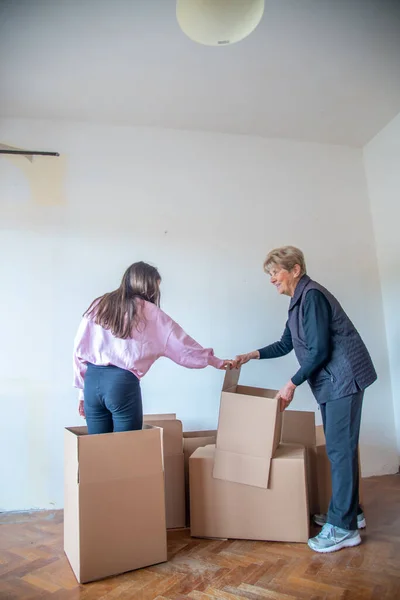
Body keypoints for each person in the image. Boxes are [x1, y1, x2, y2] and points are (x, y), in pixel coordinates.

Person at [235, 246, 377, 554]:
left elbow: (319, 350)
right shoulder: (298, 301)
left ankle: (343, 528)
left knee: (340, 450)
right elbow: (288, 343)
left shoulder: (311, 296)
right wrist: (253, 354)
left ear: (295, 269)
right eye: (270, 274)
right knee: (342, 449)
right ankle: (350, 512)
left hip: (344, 377)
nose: (272, 279)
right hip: (334, 380)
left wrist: (291, 383)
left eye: (275, 272)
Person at [73, 261, 231, 435]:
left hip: (92, 383)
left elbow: (79, 349)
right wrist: (215, 361)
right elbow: (182, 346)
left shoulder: (100, 304)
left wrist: (82, 393)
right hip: (121, 384)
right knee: (126, 449)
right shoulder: (150, 312)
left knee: (96, 450)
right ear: (147, 285)